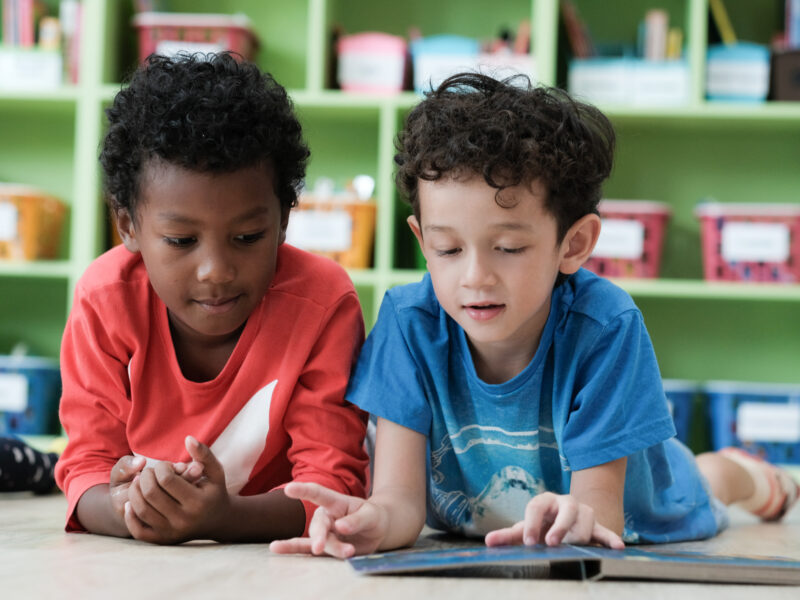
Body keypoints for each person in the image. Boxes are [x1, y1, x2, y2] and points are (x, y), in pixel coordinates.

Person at [269, 72, 800, 558]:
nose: (474, 277)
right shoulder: (408, 324)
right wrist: (371, 522)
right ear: (422, 242)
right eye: (449, 250)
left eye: (509, 248)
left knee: (704, 479)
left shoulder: (605, 325)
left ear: (574, 244)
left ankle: (749, 471)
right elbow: (400, 505)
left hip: (649, 505)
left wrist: (576, 518)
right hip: (485, 521)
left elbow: (600, 511)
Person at [54, 53, 369, 544]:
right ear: (127, 226)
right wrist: (132, 510)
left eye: (248, 237)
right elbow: (86, 470)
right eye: (181, 241)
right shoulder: (105, 300)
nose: (216, 271)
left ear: (284, 218)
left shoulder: (323, 305)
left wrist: (224, 518)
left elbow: (334, 487)